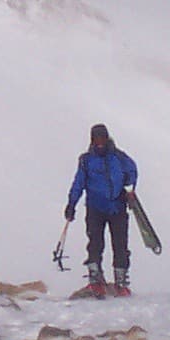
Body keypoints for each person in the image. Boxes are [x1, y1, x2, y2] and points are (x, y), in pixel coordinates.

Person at [65, 123, 139, 293]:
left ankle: (121, 282)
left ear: (107, 138)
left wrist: (129, 188)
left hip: (117, 206)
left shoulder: (119, 157)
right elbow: (79, 183)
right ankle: (95, 279)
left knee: (120, 244)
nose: (99, 142)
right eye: (96, 139)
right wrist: (71, 204)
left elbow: (132, 171)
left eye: (102, 138)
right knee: (95, 244)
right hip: (95, 208)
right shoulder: (86, 160)